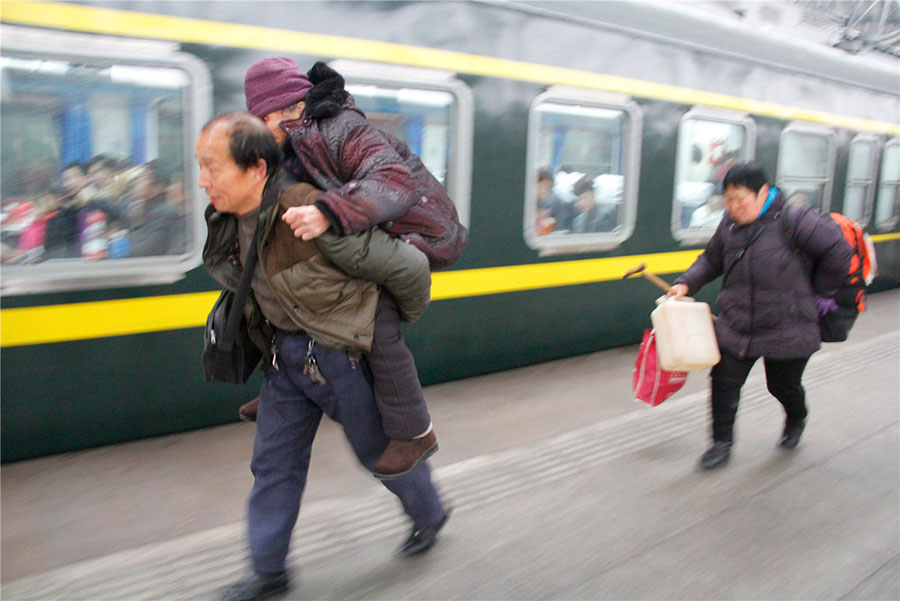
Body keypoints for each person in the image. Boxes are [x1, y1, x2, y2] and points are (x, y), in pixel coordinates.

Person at [197, 112, 450, 601]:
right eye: (200, 166)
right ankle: (268, 571)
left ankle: (429, 512)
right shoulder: (228, 219)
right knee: (273, 464)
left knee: (377, 452)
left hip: (337, 357)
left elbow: (408, 269)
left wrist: (384, 329)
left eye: (213, 166)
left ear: (256, 169)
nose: (203, 180)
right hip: (285, 361)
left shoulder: (307, 211)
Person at [241, 57, 467, 479]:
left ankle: (416, 432)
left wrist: (328, 211)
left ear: (286, 109)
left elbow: (394, 181)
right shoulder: (291, 138)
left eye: (262, 120)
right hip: (365, 226)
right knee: (280, 289)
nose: (259, 130)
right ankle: (279, 389)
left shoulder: (340, 127)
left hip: (410, 230)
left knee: (378, 321)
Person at [667, 162, 851, 470]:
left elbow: (839, 251)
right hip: (738, 323)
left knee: (782, 385)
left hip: (788, 324)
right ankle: (721, 443)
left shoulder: (795, 219)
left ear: (763, 193)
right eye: (728, 200)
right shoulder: (729, 225)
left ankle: (797, 418)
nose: (733, 207)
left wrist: (821, 292)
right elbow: (711, 260)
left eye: (740, 199)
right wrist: (685, 283)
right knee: (723, 383)